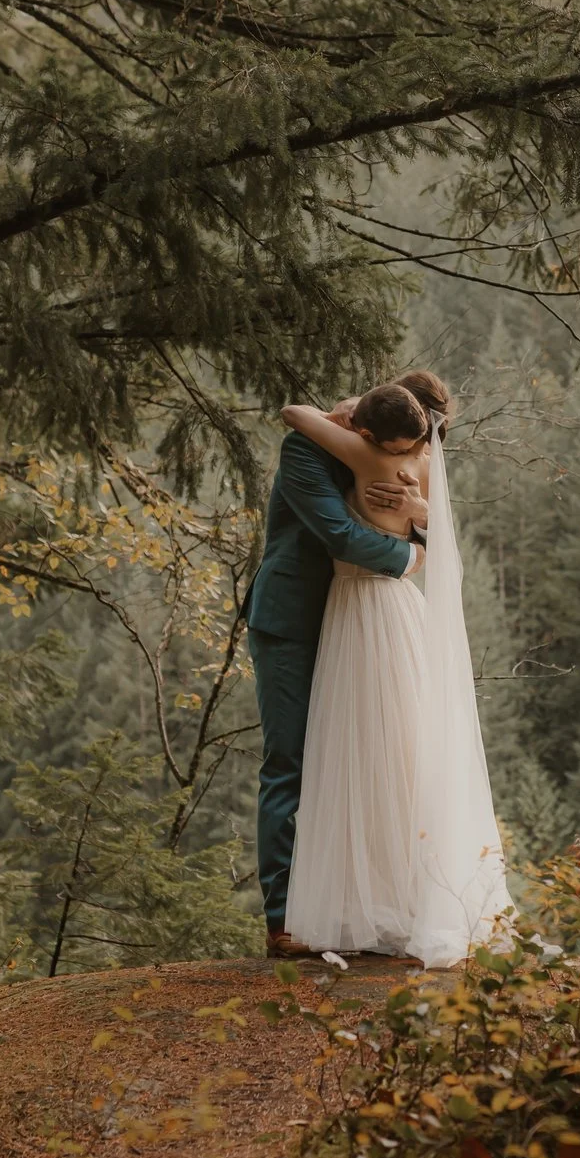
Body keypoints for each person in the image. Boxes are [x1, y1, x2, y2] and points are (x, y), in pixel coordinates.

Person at [276, 372, 512, 967]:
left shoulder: (361, 449)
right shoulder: (424, 468)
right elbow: (422, 532)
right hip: (399, 610)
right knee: (403, 748)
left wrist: (342, 411)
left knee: (357, 752)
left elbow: (292, 411)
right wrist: (418, 529)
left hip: (359, 607)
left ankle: (357, 903)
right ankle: (405, 897)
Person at [246, 388, 421, 959]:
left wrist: (416, 514)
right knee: (289, 763)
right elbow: (338, 534)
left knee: (362, 761)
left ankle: (352, 906)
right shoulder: (305, 450)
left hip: (354, 625)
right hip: (293, 621)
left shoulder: (390, 457)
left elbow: (418, 519)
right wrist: (409, 558)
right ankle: (283, 921)